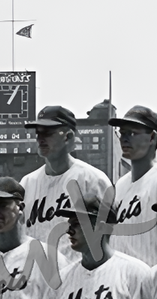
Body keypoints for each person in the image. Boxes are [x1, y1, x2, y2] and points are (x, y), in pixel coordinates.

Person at [20, 105, 114, 248]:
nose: (40, 139)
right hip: (37, 267)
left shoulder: (93, 180)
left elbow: (110, 234)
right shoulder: (27, 183)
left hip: (77, 268)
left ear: (68, 137)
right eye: (38, 133)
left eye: (47, 133)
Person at [106, 106, 157, 266]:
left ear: (152, 137)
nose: (124, 139)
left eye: (131, 133)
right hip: (121, 283)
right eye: (121, 133)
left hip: (151, 282)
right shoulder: (121, 185)